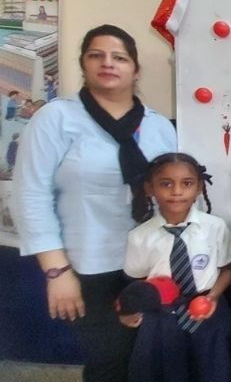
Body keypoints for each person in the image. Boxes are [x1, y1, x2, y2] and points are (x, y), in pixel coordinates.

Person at [11, 24, 177, 382]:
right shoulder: (56, 118)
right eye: (96, 55)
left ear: (135, 69)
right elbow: (30, 194)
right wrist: (56, 271)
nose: (108, 63)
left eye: (119, 57)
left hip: (150, 262)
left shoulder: (159, 127)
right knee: (110, 362)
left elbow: (175, 192)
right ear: (83, 64)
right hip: (88, 265)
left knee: (150, 360)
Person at [120, 153, 231, 382]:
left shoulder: (215, 227)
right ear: (150, 189)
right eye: (166, 184)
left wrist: (212, 297)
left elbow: (227, 269)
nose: (177, 191)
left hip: (208, 312)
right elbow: (137, 280)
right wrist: (129, 310)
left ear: (199, 188)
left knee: (211, 370)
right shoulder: (139, 236)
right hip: (161, 318)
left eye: (187, 183)